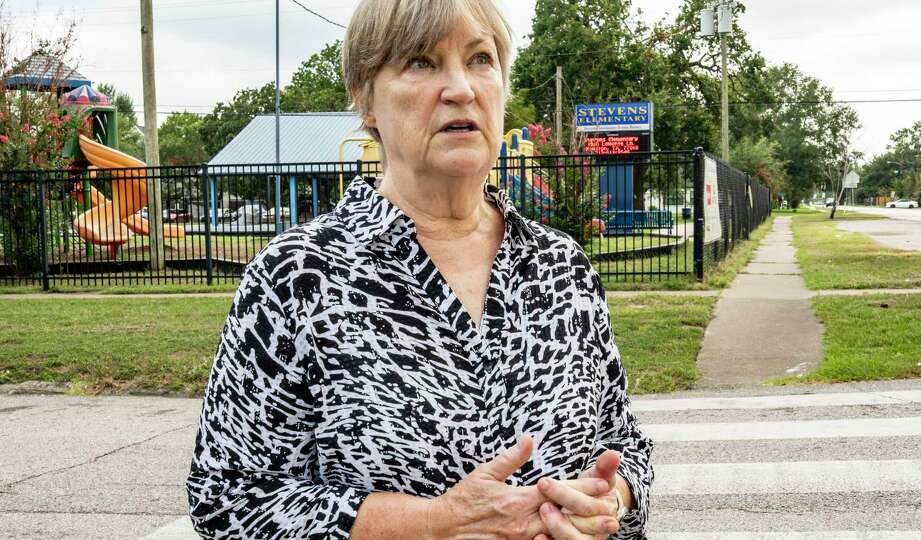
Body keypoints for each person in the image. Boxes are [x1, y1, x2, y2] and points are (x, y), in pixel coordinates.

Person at [185, 0, 654, 538]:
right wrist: (432, 524)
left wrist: (608, 500)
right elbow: (227, 501)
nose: (461, 88)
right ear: (365, 99)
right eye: (421, 63)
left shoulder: (562, 267)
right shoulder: (297, 278)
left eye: (480, 59)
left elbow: (628, 447)